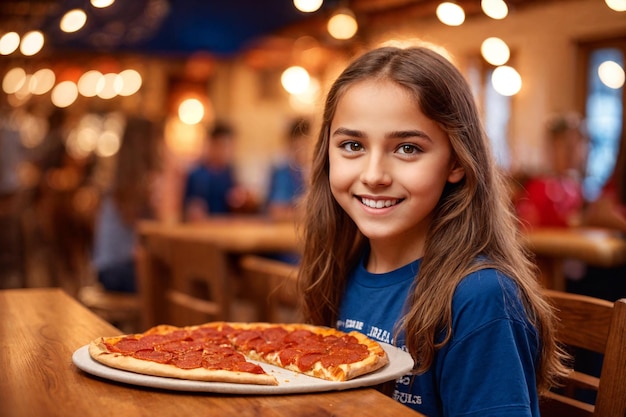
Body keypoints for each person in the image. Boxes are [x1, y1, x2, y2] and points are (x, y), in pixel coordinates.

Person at [296, 46, 568, 416]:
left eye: (407, 148)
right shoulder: (337, 267)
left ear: (456, 160)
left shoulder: (480, 298)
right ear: (327, 153)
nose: (374, 174)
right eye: (353, 145)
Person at [92, 116, 161, 293]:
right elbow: (158, 230)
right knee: (173, 284)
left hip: (106, 268)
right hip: (118, 269)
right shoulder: (143, 186)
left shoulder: (122, 180)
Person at [513, 112, 588, 229]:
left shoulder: (574, 187)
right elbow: (526, 230)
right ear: (552, 147)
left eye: (577, 146)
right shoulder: (539, 188)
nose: (574, 153)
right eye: (568, 147)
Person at [182, 121, 253, 221]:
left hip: (227, 229)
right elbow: (193, 210)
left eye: (229, 146)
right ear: (211, 145)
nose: (226, 151)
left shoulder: (230, 173)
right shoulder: (198, 175)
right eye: (222, 146)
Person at [265, 117, 311, 221]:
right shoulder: (282, 171)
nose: (304, 151)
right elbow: (277, 212)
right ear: (291, 145)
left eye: (307, 145)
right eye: (300, 146)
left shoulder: (315, 172)